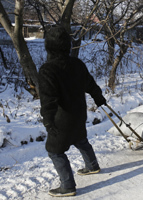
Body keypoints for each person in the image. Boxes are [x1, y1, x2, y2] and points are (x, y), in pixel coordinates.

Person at [38, 26, 107, 197]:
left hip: (62, 119)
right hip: (79, 114)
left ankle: (67, 186)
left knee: (55, 150)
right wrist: (99, 98)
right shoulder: (77, 64)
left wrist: (48, 120)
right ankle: (92, 166)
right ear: (67, 45)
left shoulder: (48, 69)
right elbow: (90, 84)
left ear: (49, 46)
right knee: (79, 138)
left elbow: (49, 100)